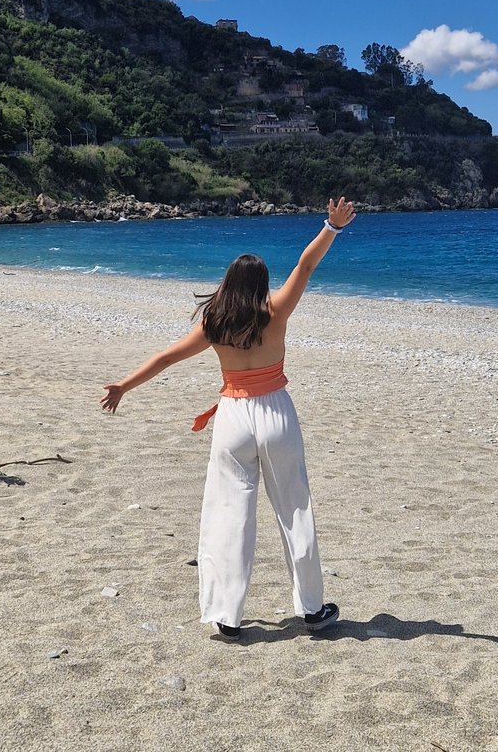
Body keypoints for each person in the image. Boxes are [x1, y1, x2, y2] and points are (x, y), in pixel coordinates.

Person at [101, 197, 357, 641]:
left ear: (228, 282)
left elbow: (166, 357)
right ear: (261, 284)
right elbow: (306, 265)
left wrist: (124, 385)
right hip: (275, 412)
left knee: (230, 513)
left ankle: (228, 614)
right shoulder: (275, 311)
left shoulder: (214, 322)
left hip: (233, 418)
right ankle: (313, 610)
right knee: (294, 508)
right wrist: (331, 228)